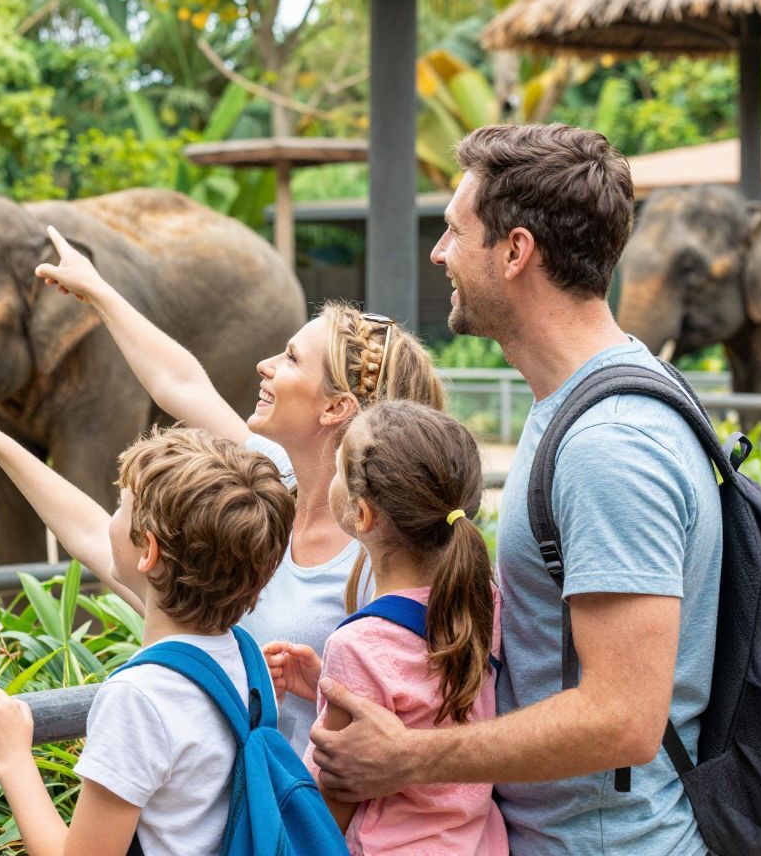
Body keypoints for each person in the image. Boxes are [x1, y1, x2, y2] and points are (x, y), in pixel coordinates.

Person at [309, 124, 722, 856]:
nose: (440, 255)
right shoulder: (575, 401)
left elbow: (623, 717)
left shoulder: (609, 446)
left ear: (515, 251)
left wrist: (409, 757)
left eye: (453, 233)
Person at [31, 228, 444, 746]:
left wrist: (322, 688)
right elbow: (180, 384)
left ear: (335, 408)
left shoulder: (377, 553)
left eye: (291, 359)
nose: (265, 365)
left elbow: (403, 717)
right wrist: (97, 291)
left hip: (311, 811)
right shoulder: (276, 475)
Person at [0, 413, 294, 856]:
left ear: (147, 550)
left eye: (121, 507)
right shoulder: (248, 658)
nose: (109, 521)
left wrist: (11, 758)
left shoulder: (139, 698)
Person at [269, 400, 506, 854]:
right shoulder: (482, 599)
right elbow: (423, 699)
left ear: (362, 516)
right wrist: (326, 685)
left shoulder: (359, 644)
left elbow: (329, 808)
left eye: (338, 469)